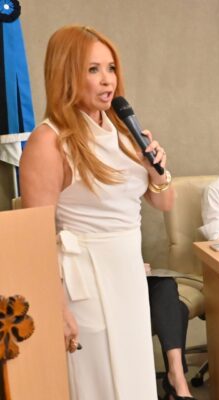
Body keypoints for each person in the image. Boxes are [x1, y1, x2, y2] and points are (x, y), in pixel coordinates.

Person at [19, 25, 178, 399]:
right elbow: (35, 237)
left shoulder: (122, 130)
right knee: (102, 383)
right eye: (93, 70)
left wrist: (157, 171)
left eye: (111, 68)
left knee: (134, 378)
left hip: (128, 272)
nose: (108, 80)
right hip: (86, 281)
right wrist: (56, 307)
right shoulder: (49, 140)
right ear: (66, 74)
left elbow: (164, 203)